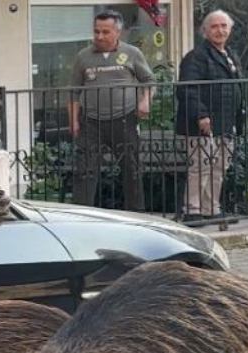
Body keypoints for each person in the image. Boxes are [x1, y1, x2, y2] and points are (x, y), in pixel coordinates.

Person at [68, 9, 155, 212]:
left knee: (131, 170)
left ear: (118, 32)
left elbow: (149, 80)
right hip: (90, 121)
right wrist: (74, 121)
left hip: (124, 119)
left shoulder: (132, 53)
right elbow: (73, 92)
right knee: (85, 172)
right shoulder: (83, 56)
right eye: (96, 31)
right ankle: (82, 215)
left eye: (105, 32)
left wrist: (146, 101)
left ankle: (136, 214)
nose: (99, 36)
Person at [176, 10, 245, 222]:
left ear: (230, 30)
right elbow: (187, 89)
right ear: (205, 31)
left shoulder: (231, 54)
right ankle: (192, 210)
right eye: (214, 26)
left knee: (219, 167)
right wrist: (201, 114)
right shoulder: (196, 56)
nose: (220, 30)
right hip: (201, 123)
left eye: (224, 26)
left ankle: (211, 209)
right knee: (201, 166)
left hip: (225, 121)